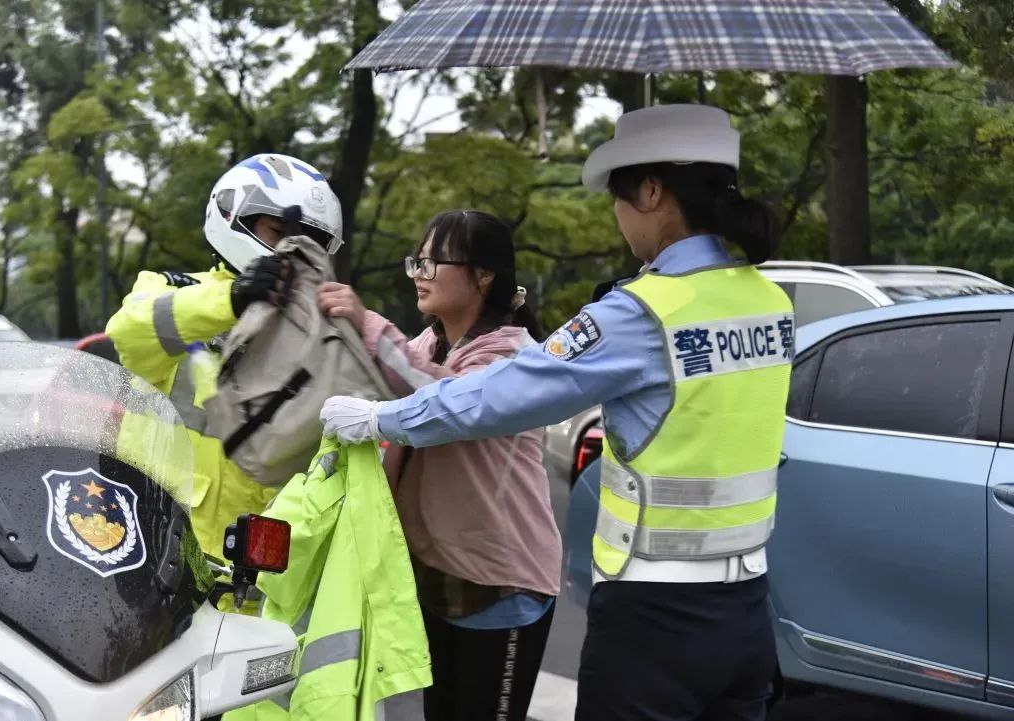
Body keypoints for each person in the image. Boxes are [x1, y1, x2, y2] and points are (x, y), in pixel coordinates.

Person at [320, 105, 795, 721]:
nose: (619, 218)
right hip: (749, 609)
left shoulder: (642, 312)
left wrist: (378, 420)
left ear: (651, 191)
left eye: (619, 199)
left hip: (654, 617)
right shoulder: (769, 301)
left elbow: (499, 393)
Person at [316, 209, 561, 721]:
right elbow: (404, 373)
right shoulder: (432, 344)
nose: (419, 275)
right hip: (436, 578)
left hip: (500, 585)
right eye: (416, 262)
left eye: (431, 263)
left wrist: (368, 324)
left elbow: (439, 402)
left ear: (483, 275)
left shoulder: (512, 357)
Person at [106, 153, 343, 564]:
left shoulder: (321, 330)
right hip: (149, 540)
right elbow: (129, 331)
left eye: (310, 241)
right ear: (235, 217)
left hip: (256, 562)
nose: (294, 250)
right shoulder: (170, 289)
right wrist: (232, 300)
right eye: (279, 232)